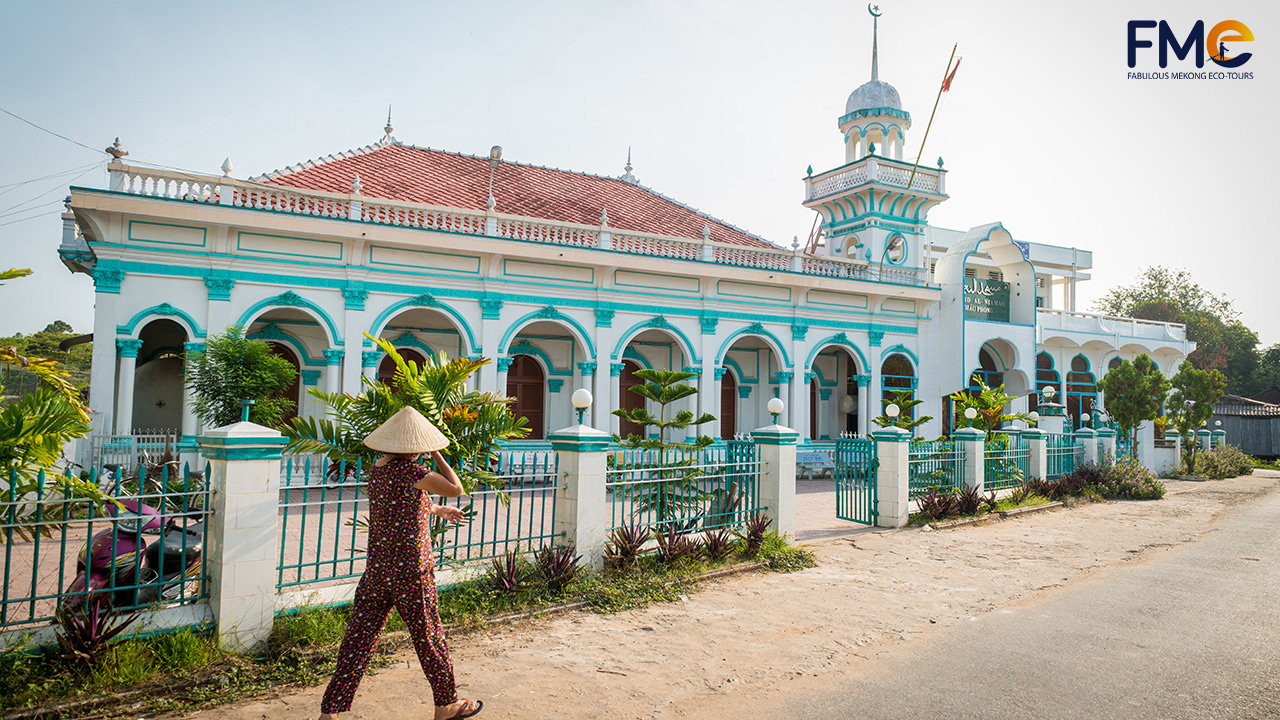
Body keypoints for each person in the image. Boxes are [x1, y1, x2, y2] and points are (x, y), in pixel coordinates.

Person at [318, 406, 483, 720]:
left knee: (358, 639)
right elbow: (456, 488)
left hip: (378, 569)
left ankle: (331, 711)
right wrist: (437, 455)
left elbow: (399, 503)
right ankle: (447, 704)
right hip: (411, 571)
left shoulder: (378, 468)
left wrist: (437, 511)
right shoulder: (415, 471)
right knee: (429, 636)